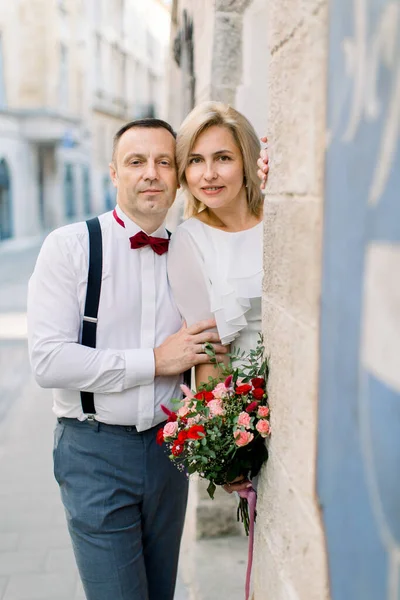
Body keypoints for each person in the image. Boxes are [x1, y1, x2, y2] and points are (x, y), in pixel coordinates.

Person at [27, 118, 230, 600]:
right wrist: (153, 361)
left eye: (164, 161)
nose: (151, 173)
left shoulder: (193, 249)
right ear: (114, 173)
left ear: (178, 176)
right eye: (136, 161)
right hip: (93, 452)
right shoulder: (70, 247)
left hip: (168, 454)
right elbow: (48, 361)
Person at [167, 101, 266, 494]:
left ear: (246, 160)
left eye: (222, 158)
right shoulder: (189, 240)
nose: (208, 174)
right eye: (195, 161)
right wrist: (224, 448)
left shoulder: (282, 213)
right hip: (252, 412)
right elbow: (209, 350)